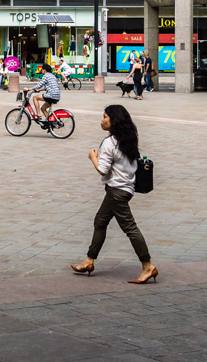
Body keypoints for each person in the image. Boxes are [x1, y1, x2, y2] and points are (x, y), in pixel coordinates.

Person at [71, 105, 156, 283]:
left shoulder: (109, 143)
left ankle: (148, 266)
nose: (101, 120)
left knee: (130, 228)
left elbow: (102, 170)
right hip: (125, 188)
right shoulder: (128, 138)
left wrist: (93, 156)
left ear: (114, 121)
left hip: (117, 191)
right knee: (100, 221)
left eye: (105, 117)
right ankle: (89, 261)